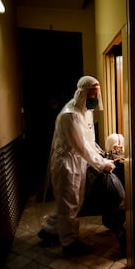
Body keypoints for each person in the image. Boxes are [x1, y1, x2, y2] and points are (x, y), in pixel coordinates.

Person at [37, 75, 116, 256]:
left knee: (70, 203)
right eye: (92, 95)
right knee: (70, 205)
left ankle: (49, 230)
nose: (95, 99)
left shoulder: (85, 112)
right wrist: (102, 164)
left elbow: (90, 142)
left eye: (97, 95)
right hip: (66, 166)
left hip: (77, 162)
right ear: (83, 94)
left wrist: (101, 156)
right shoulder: (70, 116)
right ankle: (69, 244)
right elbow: (81, 148)